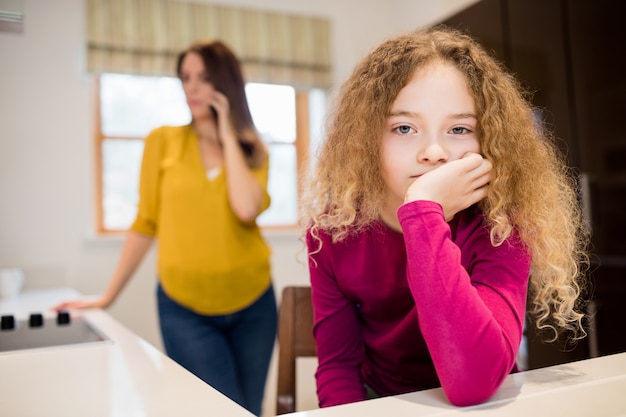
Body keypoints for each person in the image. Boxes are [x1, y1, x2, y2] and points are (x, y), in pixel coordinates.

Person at [301, 26, 589, 408]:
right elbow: (339, 369)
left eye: (458, 129)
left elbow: (471, 383)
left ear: (485, 139)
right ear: (368, 139)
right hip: (382, 402)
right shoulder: (334, 230)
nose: (434, 152)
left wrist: (422, 214)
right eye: (404, 128)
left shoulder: (502, 224)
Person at [54, 40, 277, 416]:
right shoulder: (163, 141)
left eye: (203, 77)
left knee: (249, 410)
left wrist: (227, 135)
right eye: (185, 77)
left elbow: (245, 207)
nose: (191, 87)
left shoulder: (251, 149)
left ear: (226, 83)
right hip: (184, 311)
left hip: (254, 305)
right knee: (218, 410)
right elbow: (145, 224)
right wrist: (108, 296)